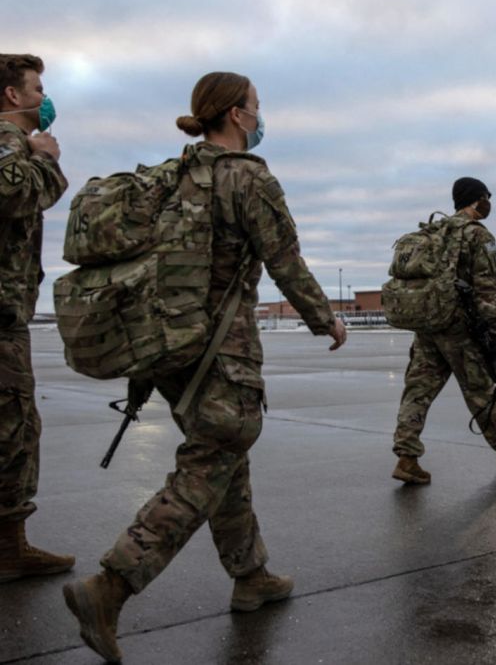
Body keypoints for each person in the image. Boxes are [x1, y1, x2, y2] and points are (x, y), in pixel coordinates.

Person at [62, 72, 347, 662]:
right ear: (237, 115)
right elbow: (285, 259)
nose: (260, 117)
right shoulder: (247, 176)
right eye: (256, 107)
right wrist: (326, 319)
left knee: (224, 458)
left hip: (169, 345)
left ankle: (251, 575)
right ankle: (110, 587)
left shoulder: (174, 174)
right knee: (210, 462)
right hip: (221, 347)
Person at [390, 177, 496, 485]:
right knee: (479, 388)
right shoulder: (477, 235)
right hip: (459, 326)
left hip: (429, 323)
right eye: (486, 197)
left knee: (418, 388)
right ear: (475, 199)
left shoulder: (434, 231)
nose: (488, 202)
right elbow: (485, 287)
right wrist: (493, 329)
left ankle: (406, 457)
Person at [0, 53, 74, 582]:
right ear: (13, 95)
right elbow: (15, 192)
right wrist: (45, 157)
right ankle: (9, 548)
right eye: (38, 88)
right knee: (13, 430)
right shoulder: (7, 141)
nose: (44, 98)